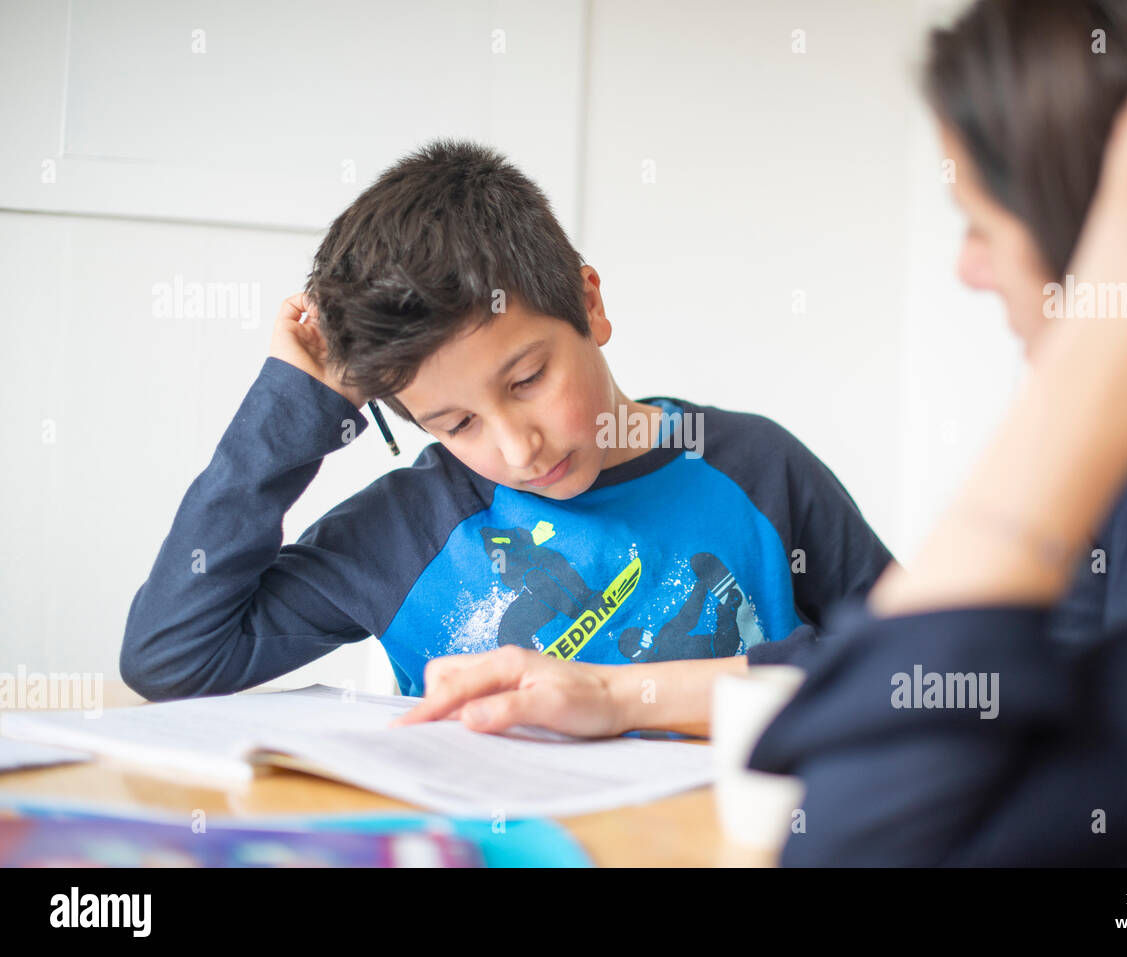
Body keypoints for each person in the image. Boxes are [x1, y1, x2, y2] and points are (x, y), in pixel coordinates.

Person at [748, 0, 1127, 865]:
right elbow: (984, 687)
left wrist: (1100, 355)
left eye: (981, 221)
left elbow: (854, 841)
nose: (968, 267)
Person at [119, 141, 893, 723]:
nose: (519, 447)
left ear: (589, 304)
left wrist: (626, 695)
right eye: (454, 423)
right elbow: (172, 656)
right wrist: (295, 407)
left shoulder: (756, 467)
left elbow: (915, 661)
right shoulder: (405, 532)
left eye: (527, 380)